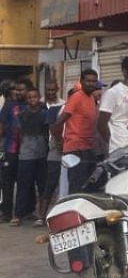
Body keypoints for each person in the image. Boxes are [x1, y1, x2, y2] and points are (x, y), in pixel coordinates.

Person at [52, 70, 99, 194]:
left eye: (94, 81)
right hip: (75, 148)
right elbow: (58, 122)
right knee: (76, 186)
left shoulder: (91, 98)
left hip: (88, 148)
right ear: (82, 81)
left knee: (88, 186)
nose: (91, 84)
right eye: (88, 81)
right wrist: (59, 142)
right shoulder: (77, 97)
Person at [13, 88, 48, 225]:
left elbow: (47, 132)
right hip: (26, 154)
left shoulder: (44, 114)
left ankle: (41, 215)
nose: (32, 100)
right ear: (26, 99)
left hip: (41, 154)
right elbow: (19, 133)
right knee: (24, 185)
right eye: (30, 97)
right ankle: (18, 215)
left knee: (42, 185)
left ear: (39, 98)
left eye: (35, 97)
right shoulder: (22, 115)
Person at [0, 79, 29, 221]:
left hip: (26, 151)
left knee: (25, 182)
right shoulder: (8, 106)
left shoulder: (29, 105)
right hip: (10, 149)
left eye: (18, 89)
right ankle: (6, 213)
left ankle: (24, 211)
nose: (16, 92)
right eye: (14, 89)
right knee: (7, 183)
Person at [39, 83, 65, 223]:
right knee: (50, 183)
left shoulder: (63, 104)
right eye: (48, 89)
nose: (50, 92)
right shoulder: (54, 109)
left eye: (52, 89)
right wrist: (60, 145)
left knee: (63, 184)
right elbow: (52, 129)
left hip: (70, 151)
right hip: (54, 150)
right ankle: (42, 215)